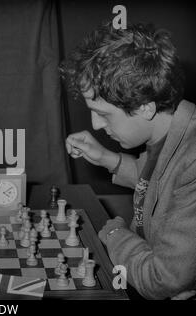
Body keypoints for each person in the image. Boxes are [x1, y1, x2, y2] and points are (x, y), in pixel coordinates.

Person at [61, 23, 196, 299]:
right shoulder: (167, 132)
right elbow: (162, 185)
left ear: (144, 107)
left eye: (103, 114)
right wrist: (107, 158)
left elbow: (162, 279)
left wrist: (114, 234)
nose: (95, 125)